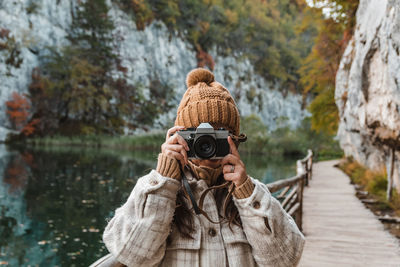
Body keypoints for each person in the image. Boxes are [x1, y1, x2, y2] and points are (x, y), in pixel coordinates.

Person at [96, 68, 305, 267]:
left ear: (234, 139)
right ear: (180, 137)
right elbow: (133, 256)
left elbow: (284, 261)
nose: (207, 143)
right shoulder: (157, 189)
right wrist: (164, 180)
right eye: (197, 135)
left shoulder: (251, 194)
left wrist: (246, 192)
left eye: (218, 134)